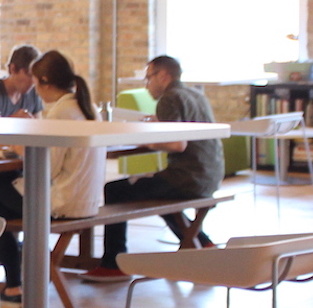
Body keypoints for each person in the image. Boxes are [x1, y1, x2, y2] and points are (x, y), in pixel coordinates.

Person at [81, 54, 224, 282]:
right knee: (154, 190)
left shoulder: (170, 98)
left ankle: (113, 263)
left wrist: (147, 140)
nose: (146, 85)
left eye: (148, 78)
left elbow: (177, 144)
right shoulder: (195, 95)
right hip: (209, 175)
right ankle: (201, 241)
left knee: (115, 190)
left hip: (186, 178)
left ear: (164, 75)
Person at [0, 50, 104, 302]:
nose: (35, 89)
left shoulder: (61, 113)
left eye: (36, 82)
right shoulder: (88, 106)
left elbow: (48, 168)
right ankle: (18, 273)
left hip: (61, 204)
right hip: (87, 200)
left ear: (45, 81)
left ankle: (14, 281)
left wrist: (20, 150)